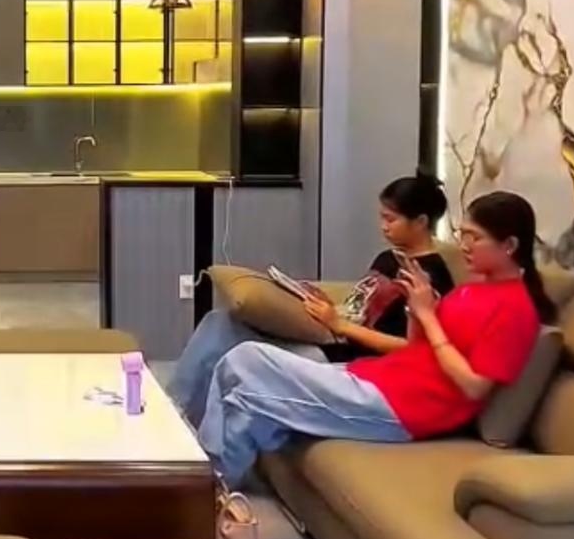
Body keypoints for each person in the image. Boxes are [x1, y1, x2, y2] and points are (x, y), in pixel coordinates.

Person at [195, 190, 555, 494]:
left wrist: (430, 318)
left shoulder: (516, 311)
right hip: (379, 377)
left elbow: (474, 386)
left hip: (403, 409)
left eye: (475, 237)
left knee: (245, 368)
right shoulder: (472, 289)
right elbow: (417, 346)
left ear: (509, 245)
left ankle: (201, 490)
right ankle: (207, 487)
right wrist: (417, 308)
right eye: (462, 234)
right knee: (243, 385)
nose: (463, 245)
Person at [166, 175, 457, 427]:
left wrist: (340, 325)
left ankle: (177, 420)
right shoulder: (388, 257)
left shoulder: (429, 277)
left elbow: (413, 348)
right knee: (220, 322)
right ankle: (175, 413)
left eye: (390, 219)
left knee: (235, 347)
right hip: (332, 338)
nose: (383, 226)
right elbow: (361, 306)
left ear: (420, 222)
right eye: (381, 217)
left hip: (350, 362)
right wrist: (318, 302)